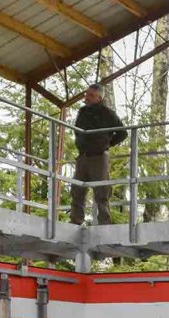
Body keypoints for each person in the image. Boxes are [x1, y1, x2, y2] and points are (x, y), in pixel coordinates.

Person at [71, 83, 128, 225]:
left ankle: (105, 222)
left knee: (102, 192)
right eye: (86, 94)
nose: (86, 97)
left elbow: (122, 133)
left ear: (99, 97)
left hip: (99, 156)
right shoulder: (82, 111)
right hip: (82, 156)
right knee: (77, 190)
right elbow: (77, 129)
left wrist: (107, 144)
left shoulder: (107, 113)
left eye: (90, 95)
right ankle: (76, 220)